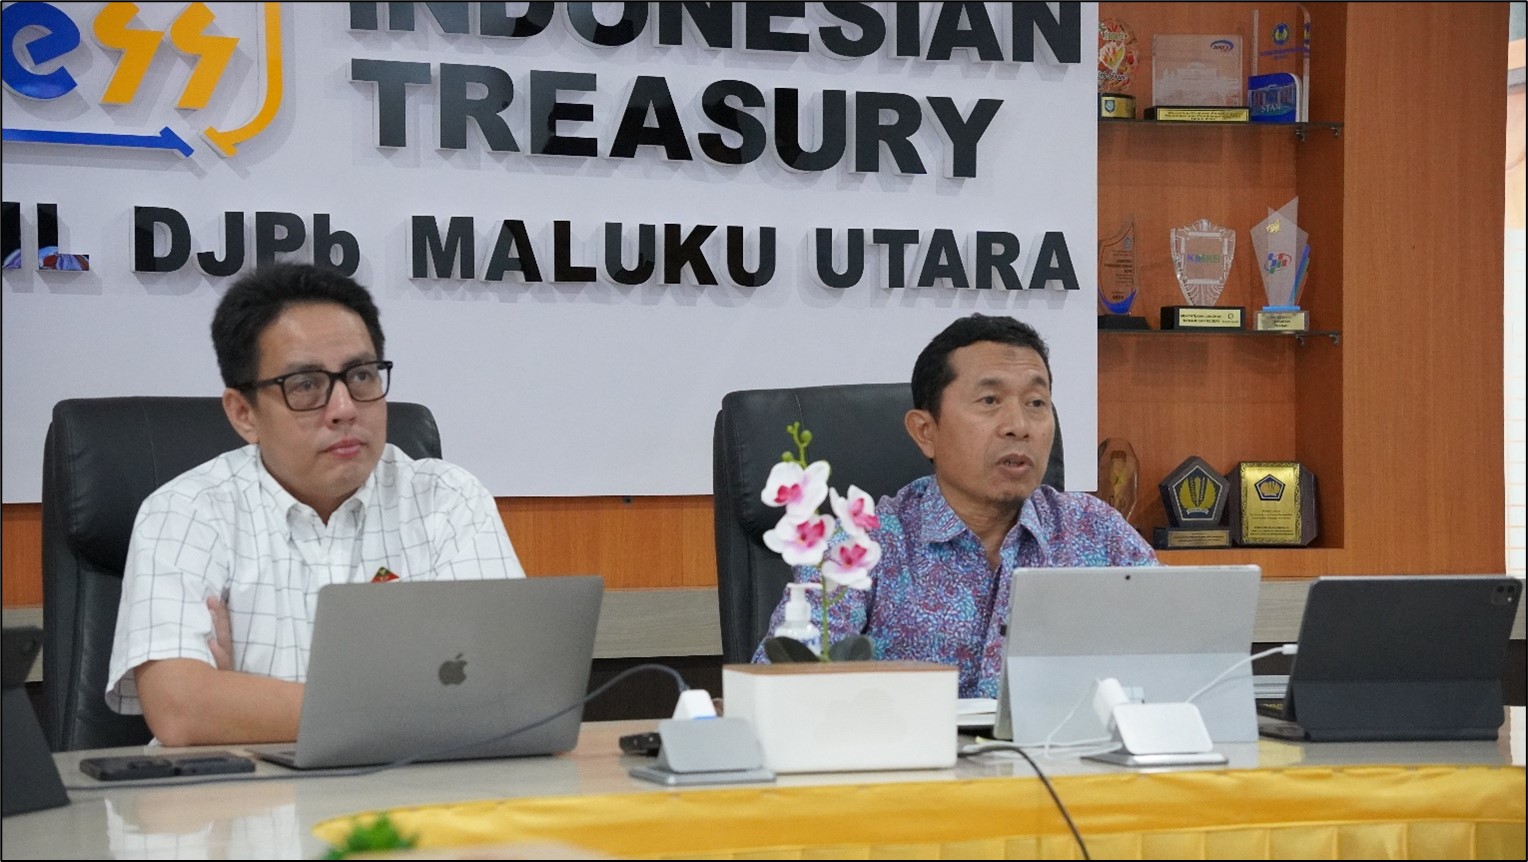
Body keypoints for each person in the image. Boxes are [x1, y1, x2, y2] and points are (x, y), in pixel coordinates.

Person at [106, 262, 526, 746]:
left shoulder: (447, 501)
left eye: (361, 376)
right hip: (237, 789)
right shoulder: (186, 512)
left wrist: (239, 702)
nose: (344, 408)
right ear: (244, 414)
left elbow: (510, 692)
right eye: (306, 384)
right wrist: (422, 705)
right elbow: (182, 710)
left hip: (417, 786)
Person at [754, 313, 1156, 697]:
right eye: (989, 400)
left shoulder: (1095, 532)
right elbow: (780, 690)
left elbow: (1177, 651)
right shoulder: (862, 545)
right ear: (925, 431)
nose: (1018, 426)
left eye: (1036, 402)